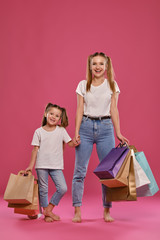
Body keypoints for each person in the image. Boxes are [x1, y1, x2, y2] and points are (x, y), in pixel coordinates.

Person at [72, 52, 129, 223]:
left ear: (106, 67)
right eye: (94, 64)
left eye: (101, 64)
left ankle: (107, 211)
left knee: (108, 173)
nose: (98, 67)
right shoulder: (83, 85)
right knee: (79, 172)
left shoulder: (112, 84)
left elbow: (114, 110)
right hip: (85, 128)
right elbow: (79, 109)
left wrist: (118, 132)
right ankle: (77, 211)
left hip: (106, 128)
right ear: (90, 66)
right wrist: (76, 132)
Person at [26, 103, 79, 222]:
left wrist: (75, 142)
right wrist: (31, 166)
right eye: (51, 114)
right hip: (41, 165)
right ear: (46, 114)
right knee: (43, 190)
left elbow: (69, 143)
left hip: (56, 165)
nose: (53, 117)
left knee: (63, 188)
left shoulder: (61, 130)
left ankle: (48, 209)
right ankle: (47, 214)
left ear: (60, 119)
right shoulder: (38, 131)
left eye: (57, 115)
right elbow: (35, 150)